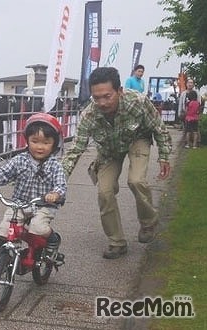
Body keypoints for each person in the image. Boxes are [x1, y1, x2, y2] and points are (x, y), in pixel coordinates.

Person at [61, 67, 172, 259]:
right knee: (104, 192)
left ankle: (148, 223)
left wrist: (164, 156)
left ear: (119, 91)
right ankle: (117, 242)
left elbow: (159, 128)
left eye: (107, 96)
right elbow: (75, 149)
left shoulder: (137, 102)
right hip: (109, 151)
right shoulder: (89, 115)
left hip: (138, 139)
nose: (102, 103)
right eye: (97, 98)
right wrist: (59, 179)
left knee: (136, 180)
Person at [0, 113, 67, 270]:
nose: (39, 147)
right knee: (4, 229)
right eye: (35, 141)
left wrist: (55, 195)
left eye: (46, 143)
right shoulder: (20, 160)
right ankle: (4, 256)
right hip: (19, 204)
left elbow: (60, 185)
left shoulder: (55, 165)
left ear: (54, 144)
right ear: (27, 141)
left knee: (38, 227)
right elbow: (4, 171)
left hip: (43, 206)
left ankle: (53, 240)